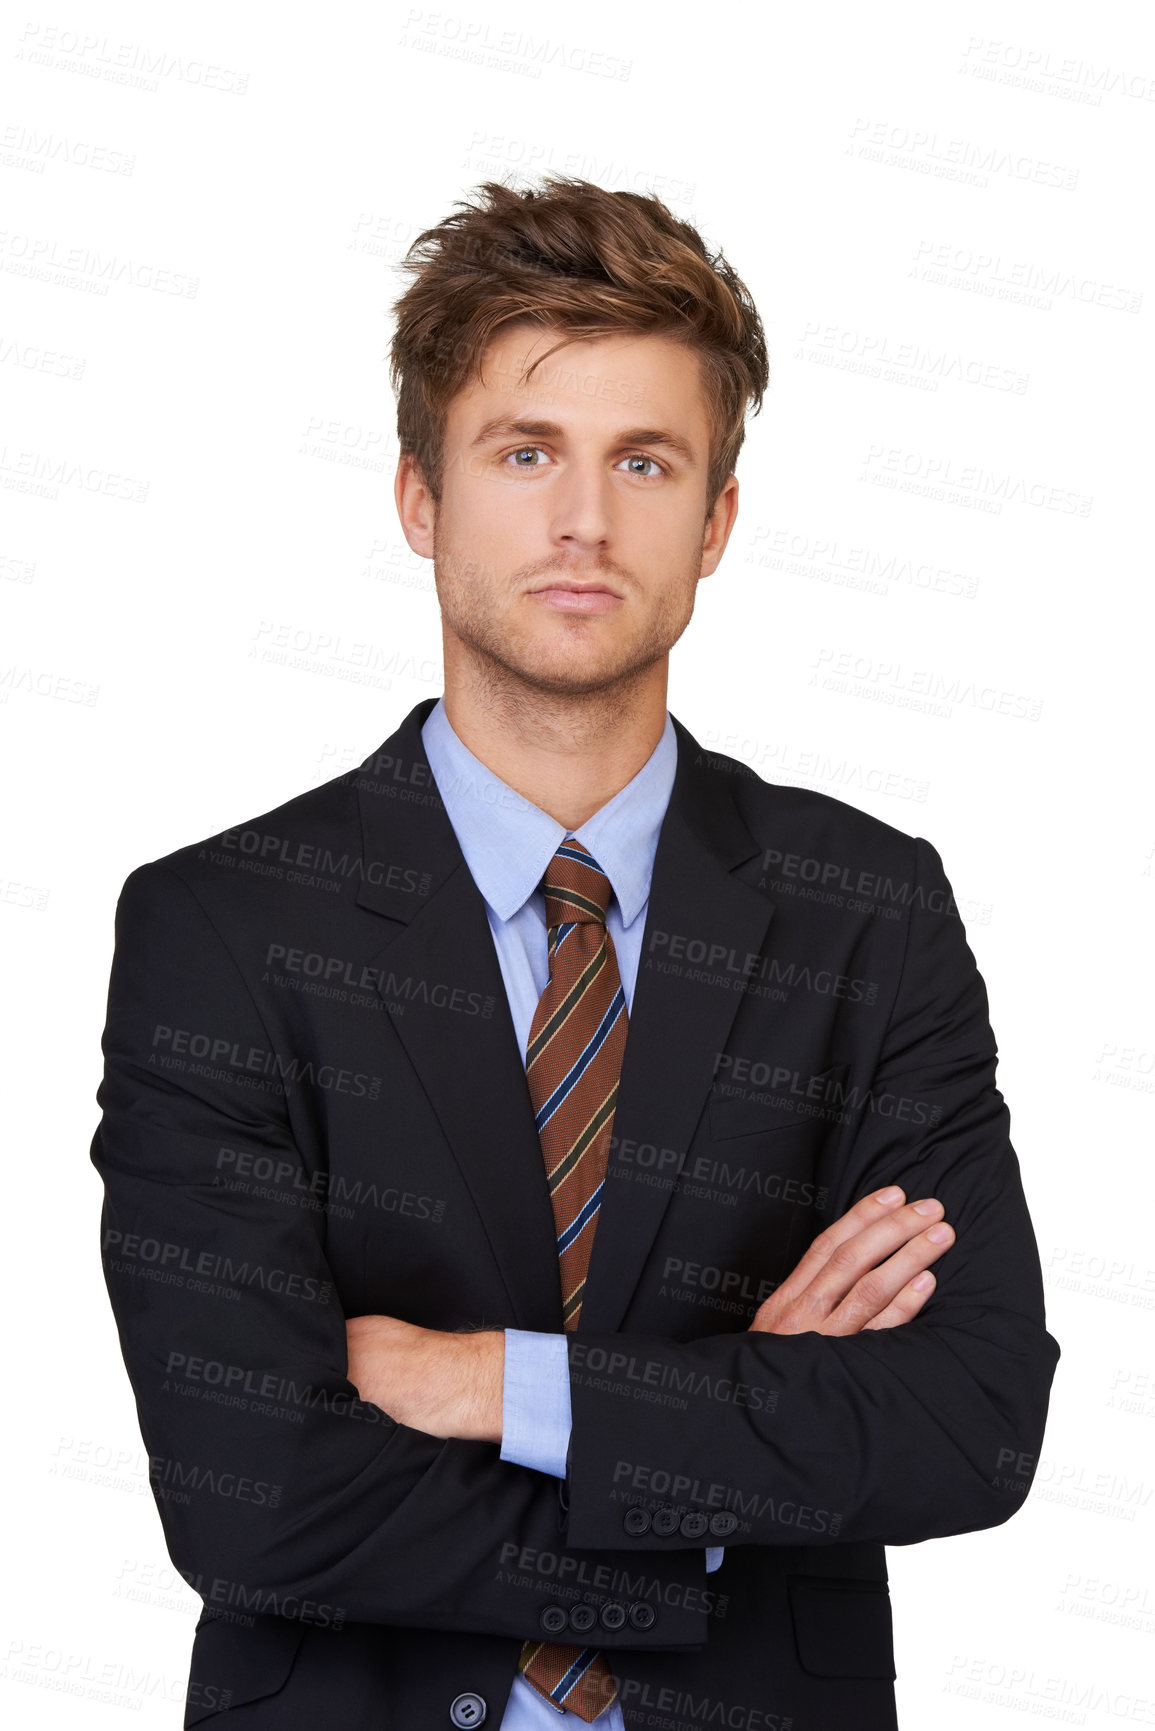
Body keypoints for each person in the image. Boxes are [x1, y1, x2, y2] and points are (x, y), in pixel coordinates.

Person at [91, 175, 1059, 1731]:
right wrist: (732, 1464)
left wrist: (492, 1385)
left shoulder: (865, 910)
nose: (584, 523)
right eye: (525, 452)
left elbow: (968, 1421)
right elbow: (257, 1498)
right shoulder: (225, 928)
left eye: (646, 461)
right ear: (421, 497)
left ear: (718, 518)